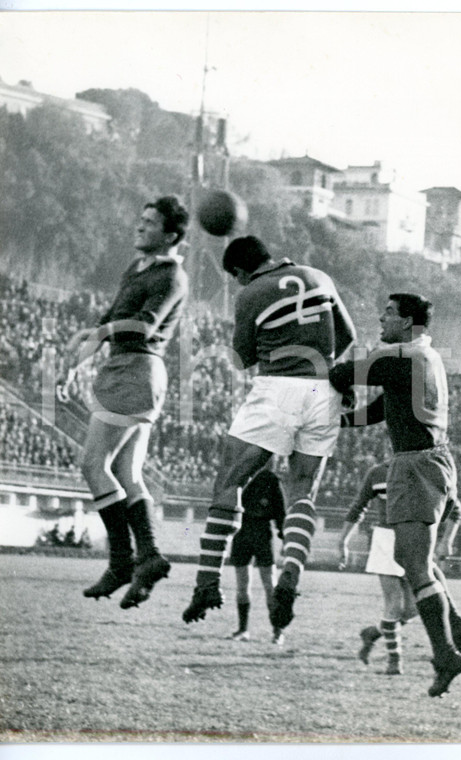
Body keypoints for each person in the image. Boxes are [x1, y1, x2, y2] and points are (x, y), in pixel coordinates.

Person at [182, 235, 356, 629]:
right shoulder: (318, 276)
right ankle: (290, 575)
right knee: (302, 493)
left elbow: (243, 359)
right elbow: (348, 337)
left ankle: (208, 581)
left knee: (229, 480)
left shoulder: (251, 292)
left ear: (241, 272)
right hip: (324, 389)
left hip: (279, 386)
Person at [329, 293, 461, 697]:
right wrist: (343, 420)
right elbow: (380, 411)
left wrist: (333, 394)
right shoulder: (425, 358)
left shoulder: (399, 357)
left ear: (408, 321)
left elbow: (342, 375)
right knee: (408, 557)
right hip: (431, 461)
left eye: (389, 312)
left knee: (414, 565)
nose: (381, 317)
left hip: (415, 466)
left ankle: (446, 653)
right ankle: (457, 625)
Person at [57, 196, 189, 609]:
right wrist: (75, 366)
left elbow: (145, 326)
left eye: (150, 223)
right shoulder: (136, 269)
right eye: (142, 219)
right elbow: (105, 325)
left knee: (93, 465)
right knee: (126, 472)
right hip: (127, 369)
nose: (140, 226)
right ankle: (147, 557)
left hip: (137, 369)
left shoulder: (171, 277)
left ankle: (122, 561)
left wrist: (99, 334)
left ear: (170, 235)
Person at [338, 459, 461, 675]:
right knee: (393, 604)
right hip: (386, 538)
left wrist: (446, 540)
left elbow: (455, 508)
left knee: (413, 609)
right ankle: (395, 662)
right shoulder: (377, 473)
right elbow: (358, 507)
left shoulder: (427, 471)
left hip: (416, 537)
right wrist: (343, 540)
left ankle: (373, 633)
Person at [228, 468, 286, 645]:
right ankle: (243, 629)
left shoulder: (270, 479)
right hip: (241, 532)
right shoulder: (239, 474)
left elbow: (280, 511)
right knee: (242, 584)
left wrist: (284, 537)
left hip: (262, 532)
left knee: (270, 584)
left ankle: (277, 631)